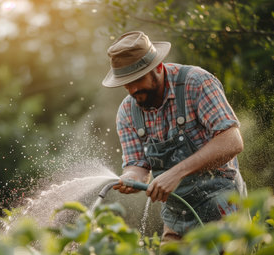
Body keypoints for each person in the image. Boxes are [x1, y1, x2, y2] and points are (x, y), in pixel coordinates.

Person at [102, 31, 247, 243]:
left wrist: (176, 173)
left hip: (224, 209)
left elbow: (232, 141)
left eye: (137, 79)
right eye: (126, 83)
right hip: (178, 219)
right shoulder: (127, 113)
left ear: (158, 67)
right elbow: (137, 166)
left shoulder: (196, 83)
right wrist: (131, 178)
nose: (132, 89)